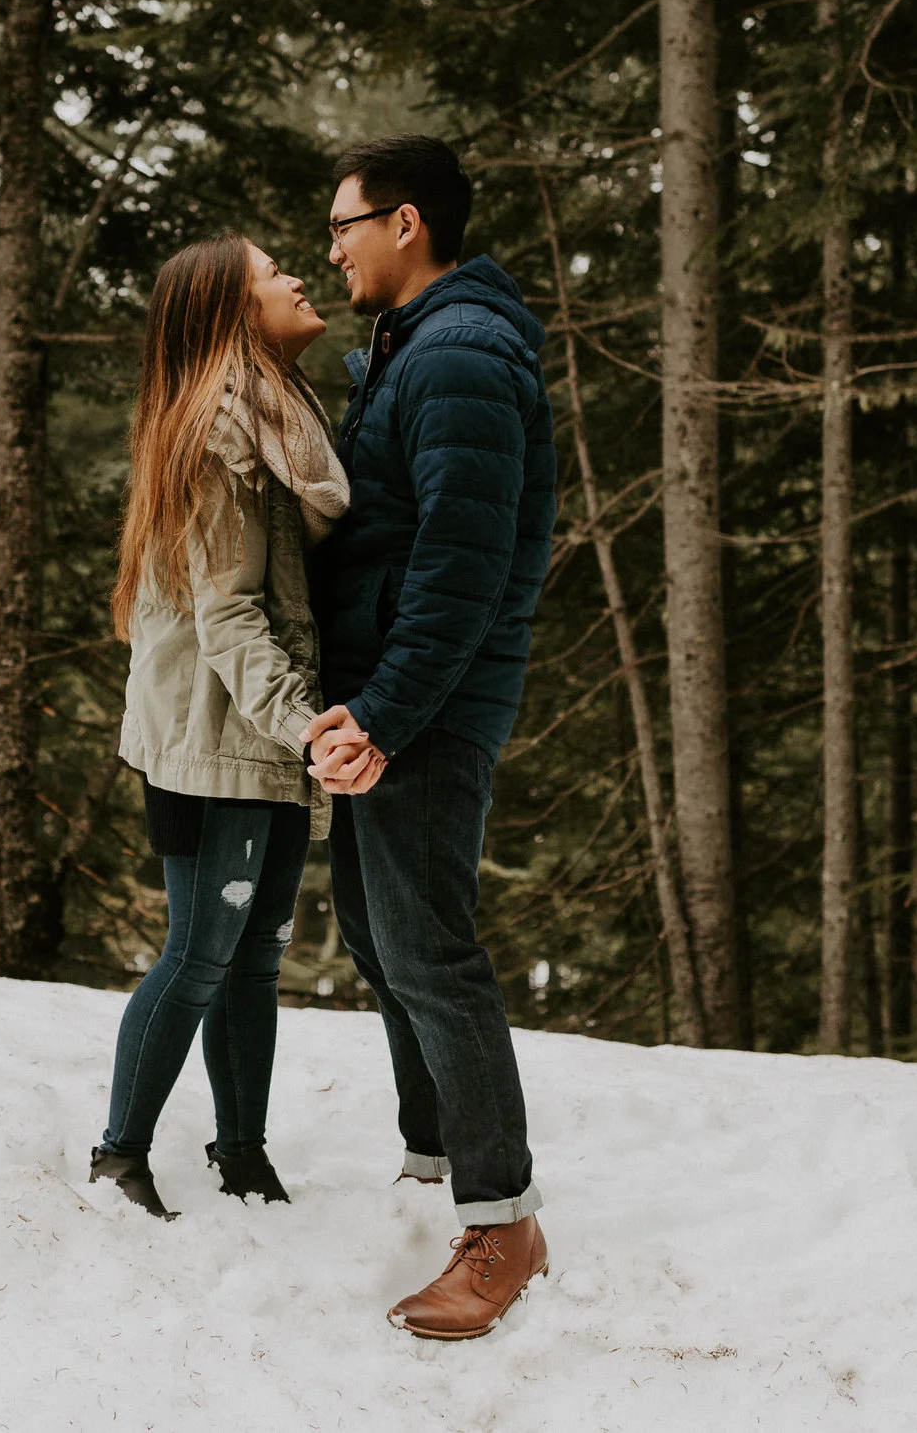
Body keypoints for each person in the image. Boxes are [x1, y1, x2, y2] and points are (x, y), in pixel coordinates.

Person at [302, 134, 558, 1340]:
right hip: (391, 698)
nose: (332, 247)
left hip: (429, 705)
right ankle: (438, 1158)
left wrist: (391, 713)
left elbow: (461, 566)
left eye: (343, 225)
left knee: (428, 947)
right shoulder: (415, 347)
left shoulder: (456, 354)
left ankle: (500, 1221)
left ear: (405, 223)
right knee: (379, 929)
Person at [90, 233, 350, 1219]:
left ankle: (242, 1156)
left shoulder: (278, 414)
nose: (295, 275)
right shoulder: (221, 436)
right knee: (201, 949)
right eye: (270, 272)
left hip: (256, 727)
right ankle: (118, 1157)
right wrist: (304, 725)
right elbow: (228, 613)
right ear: (233, 313)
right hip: (219, 733)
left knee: (255, 952)